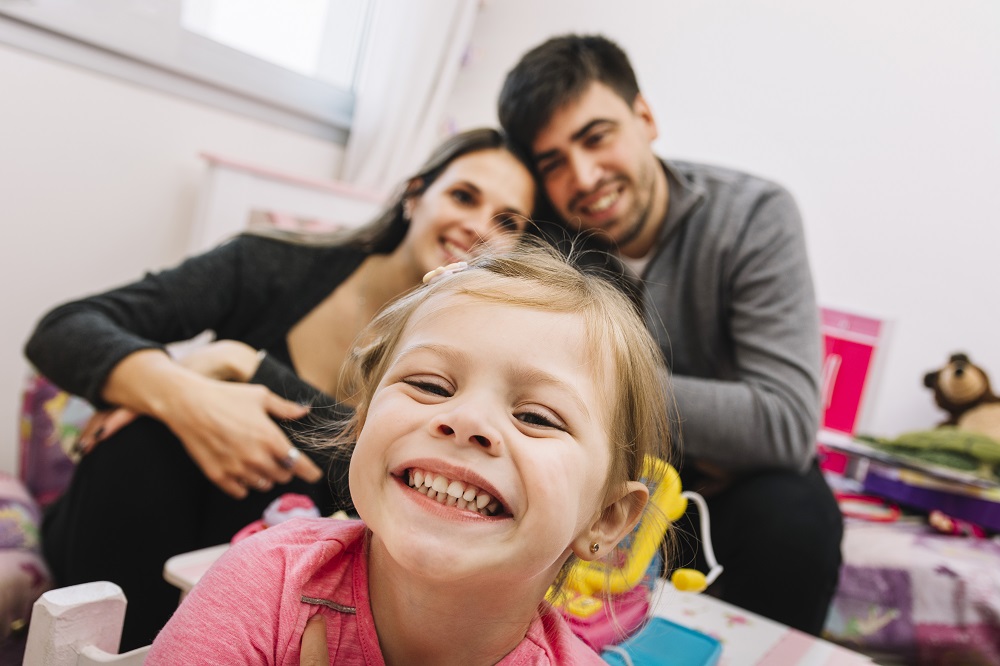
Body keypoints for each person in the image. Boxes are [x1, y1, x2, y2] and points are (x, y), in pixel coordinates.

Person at [23, 128, 537, 650]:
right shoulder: (269, 264)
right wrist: (179, 390)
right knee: (148, 437)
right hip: (129, 532)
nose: (476, 227)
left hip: (273, 580)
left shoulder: (478, 354)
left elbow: (375, 478)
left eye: (506, 221)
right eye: (463, 196)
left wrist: (246, 364)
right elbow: (66, 328)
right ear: (415, 193)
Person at [145, 243, 674, 665]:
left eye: (536, 417)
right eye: (430, 385)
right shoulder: (268, 582)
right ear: (363, 420)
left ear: (606, 518)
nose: (466, 420)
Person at [497, 34, 843, 636]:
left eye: (595, 137)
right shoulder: (543, 238)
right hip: (592, 474)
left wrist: (606, 384)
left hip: (725, 495)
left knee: (796, 517)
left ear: (645, 117)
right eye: (553, 162)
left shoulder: (753, 216)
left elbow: (785, 423)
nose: (583, 176)